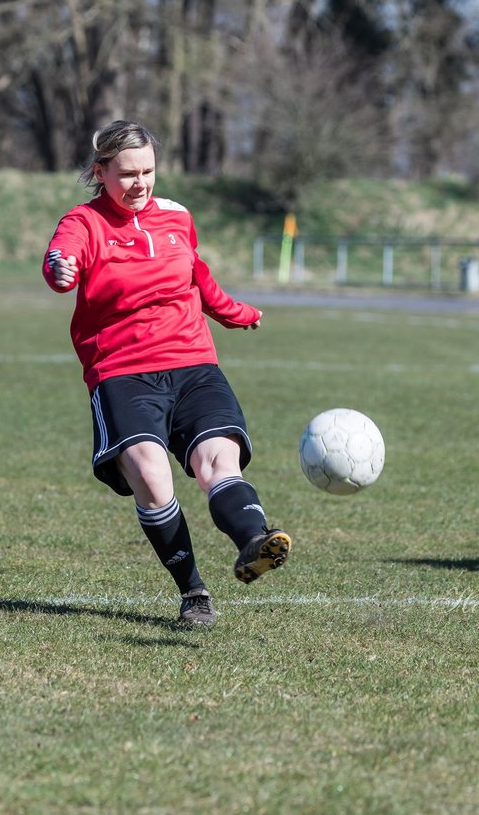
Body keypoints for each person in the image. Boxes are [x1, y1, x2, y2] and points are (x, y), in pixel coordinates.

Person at [41, 119, 291, 625]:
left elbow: (196, 275)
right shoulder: (83, 223)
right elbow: (59, 259)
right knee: (152, 479)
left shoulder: (177, 216)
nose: (140, 183)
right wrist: (59, 268)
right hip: (123, 372)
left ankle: (255, 543)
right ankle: (194, 592)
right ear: (101, 172)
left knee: (217, 464)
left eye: (148, 171)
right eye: (128, 173)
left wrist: (234, 312)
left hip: (194, 363)